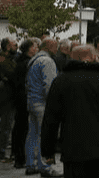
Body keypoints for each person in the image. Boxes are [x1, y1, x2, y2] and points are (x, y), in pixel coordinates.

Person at [41, 45, 99, 178]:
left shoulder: (61, 80)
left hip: (72, 148)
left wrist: (47, 150)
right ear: (93, 57)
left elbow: (51, 118)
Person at [26, 38, 61, 177]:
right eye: (56, 46)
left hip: (31, 100)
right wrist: (55, 103)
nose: (57, 49)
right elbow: (50, 85)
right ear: (49, 46)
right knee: (44, 135)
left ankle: (30, 164)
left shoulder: (33, 60)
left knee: (32, 135)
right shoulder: (47, 61)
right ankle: (45, 166)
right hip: (42, 103)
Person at [11, 38, 39, 170]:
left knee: (20, 128)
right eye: (35, 47)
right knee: (23, 129)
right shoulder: (27, 63)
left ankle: (19, 156)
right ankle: (21, 157)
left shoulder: (20, 61)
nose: (37, 49)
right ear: (30, 49)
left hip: (20, 98)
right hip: (25, 98)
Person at [0, 36, 19, 164]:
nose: (17, 46)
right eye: (14, 44)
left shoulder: (5, 58)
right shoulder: (3, 60)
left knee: (6, 126)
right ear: (8, 47)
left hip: (7, 96)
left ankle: (1, 151)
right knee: (5, 126)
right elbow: (14, 75)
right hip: (6, 97)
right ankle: (0, 153)